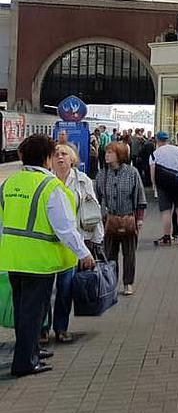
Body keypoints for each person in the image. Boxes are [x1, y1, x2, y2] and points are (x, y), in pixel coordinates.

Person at [0, 134, 95, 377]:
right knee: (33, 312)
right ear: (47, 159)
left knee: (24, 310)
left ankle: (31, 350)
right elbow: (65, 228)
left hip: (12, 257)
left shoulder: (10, 183)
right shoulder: (51, 187)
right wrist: (84, 253)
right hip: (38, 261)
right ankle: (24, 363)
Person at [41, 143, 100, 344]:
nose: (60, 157)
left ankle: (61, 328)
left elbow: (93, 210)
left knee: (65, 290)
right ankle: (42, 328)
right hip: (48, 244)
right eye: (56, 154)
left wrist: (96, 240)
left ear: (72, 158)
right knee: (45, 290)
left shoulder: (83, 181)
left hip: (73, 242)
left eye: (64, 154)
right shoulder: (45, 181)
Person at [96, 141, 146, 296]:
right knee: (109, 254)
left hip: (128, 218)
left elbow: (140, 196)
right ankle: (111, 284)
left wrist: (139, 219)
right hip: (109, 220)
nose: (106, 155)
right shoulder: (102, 174)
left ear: (120, 155)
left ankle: (128, 283)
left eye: (110, 153)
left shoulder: (132, 173)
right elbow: (97, 197)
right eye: (106, 152)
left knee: (129, 253)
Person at [150, 132, 178, 246]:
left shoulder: (154, 154)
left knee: (166, 211)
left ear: (157, 140)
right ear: (167, 139)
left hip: (164, 185)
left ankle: (167, 237)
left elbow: (152, 172)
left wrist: (154, 185)